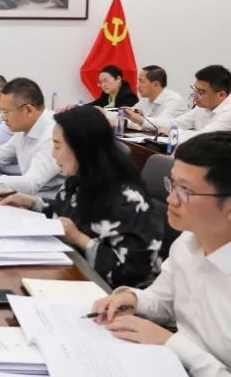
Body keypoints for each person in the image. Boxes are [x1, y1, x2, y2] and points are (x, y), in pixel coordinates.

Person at [91, 132, 231, 377]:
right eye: (172, 184)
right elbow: (163, 301)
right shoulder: (188, 241)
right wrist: (133, 299)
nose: (170, 199)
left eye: (185, 190)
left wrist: (171, 343)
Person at [0, 106, 162, 288]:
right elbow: (66, 213)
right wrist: (30, 202)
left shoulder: (126, 200)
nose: (53, 154)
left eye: (57, 146)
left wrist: (78, 238)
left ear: (82, 148)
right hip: (76, 271)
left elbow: (129, 272)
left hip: (111, 292)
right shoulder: (80, 178)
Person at [157, 64, 231, 135]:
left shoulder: (228, 113)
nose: (195, 96)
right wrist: (149, 122)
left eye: (201, 92)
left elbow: (205, 136)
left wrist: (173, 132)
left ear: (221, 95)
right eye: (195, 89)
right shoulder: (202, 106)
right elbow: (176, 123)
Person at [121, 65, 187, 132]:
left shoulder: (174, 100)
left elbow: (160, 126)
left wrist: (137, 121)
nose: (137, 85)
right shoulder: (146, 99)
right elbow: (136, 111)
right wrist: (128, 113)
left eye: (141, 81)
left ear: (156, 84)